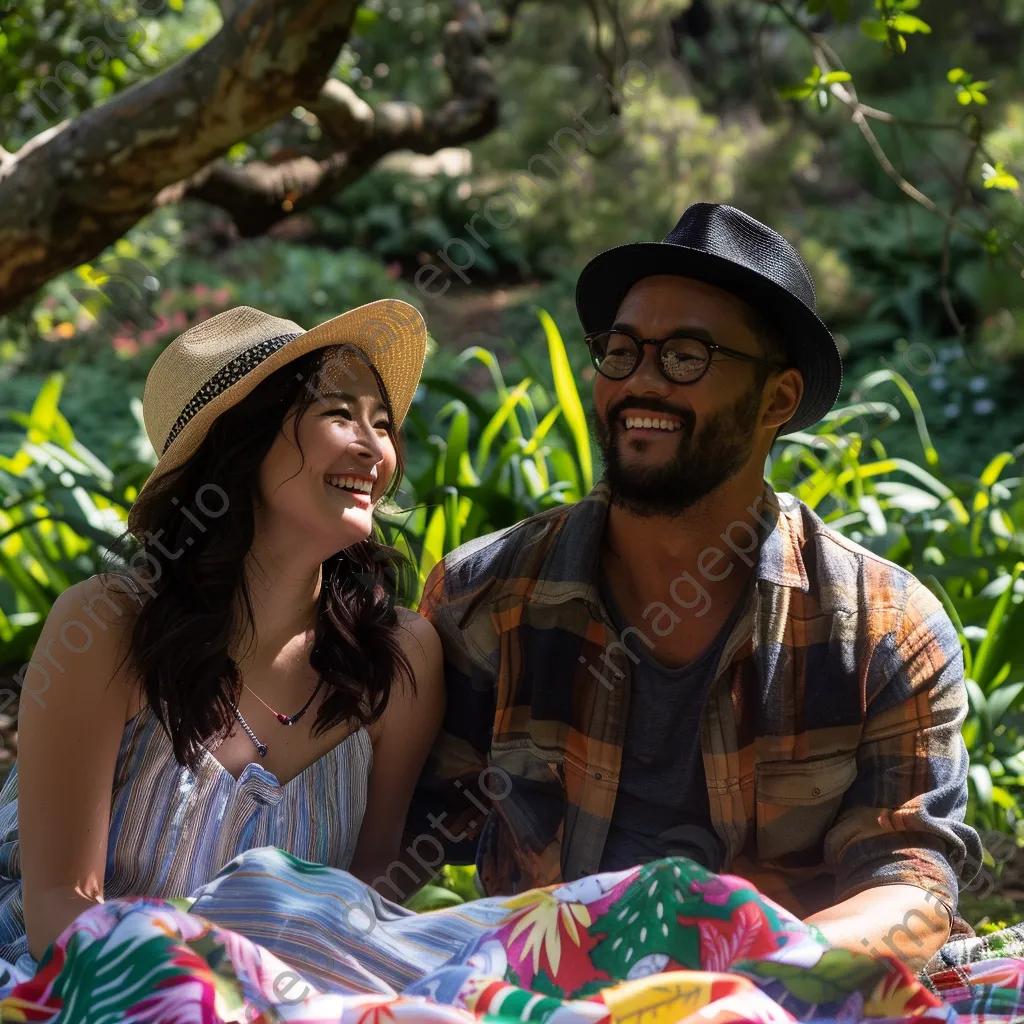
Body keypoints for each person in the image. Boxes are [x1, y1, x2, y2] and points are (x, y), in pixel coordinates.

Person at [411, 203, 1002, 975]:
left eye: (686, 355)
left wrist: (734, 970)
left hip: (784, 998)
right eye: (620, 351)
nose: (640, 382)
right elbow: (398, 839)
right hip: (547, 997)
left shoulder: (888, 631)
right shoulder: (486, 599)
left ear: (777, 400)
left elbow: (911, 888)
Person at [0, 300, 445, 984]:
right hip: (86, 984)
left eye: (381, 424)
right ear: (242, 442)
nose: (374, 448)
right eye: (338, 415)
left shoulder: (398, 660)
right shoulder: (108, 629)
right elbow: (61, 909)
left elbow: (369, 901)